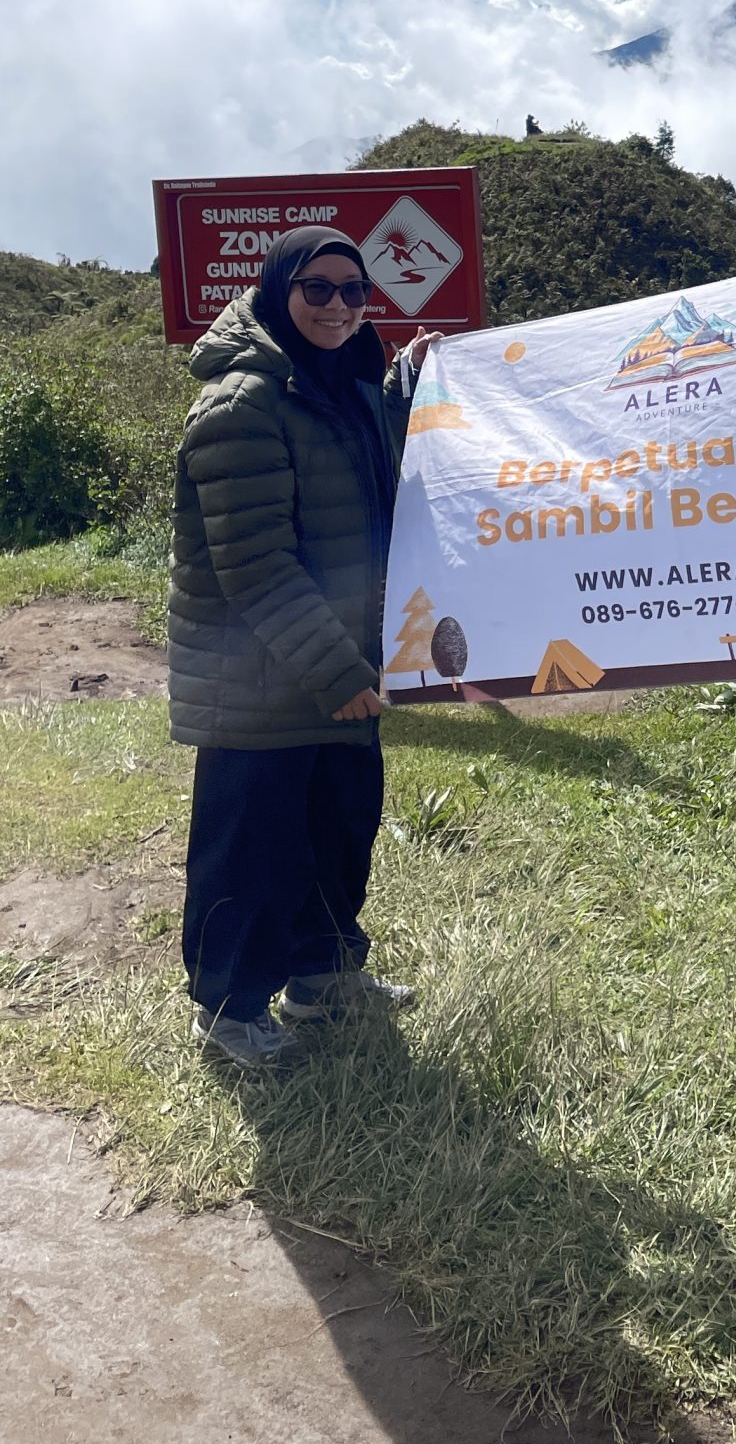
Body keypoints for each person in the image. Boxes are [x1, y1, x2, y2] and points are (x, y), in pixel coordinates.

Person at [169, 228, 436, 1071]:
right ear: (277, 290)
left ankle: (322, 975)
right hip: (262, 679)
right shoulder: (241, 404)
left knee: (337, 827)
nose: (336, 307)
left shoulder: (340, 387)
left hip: (347, 665)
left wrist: (406, 388)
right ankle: (231, 1009)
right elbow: (254, 565)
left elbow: (369, 473)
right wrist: (335, 672)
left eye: (353, 292)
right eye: (316, 290)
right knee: (253, 847)